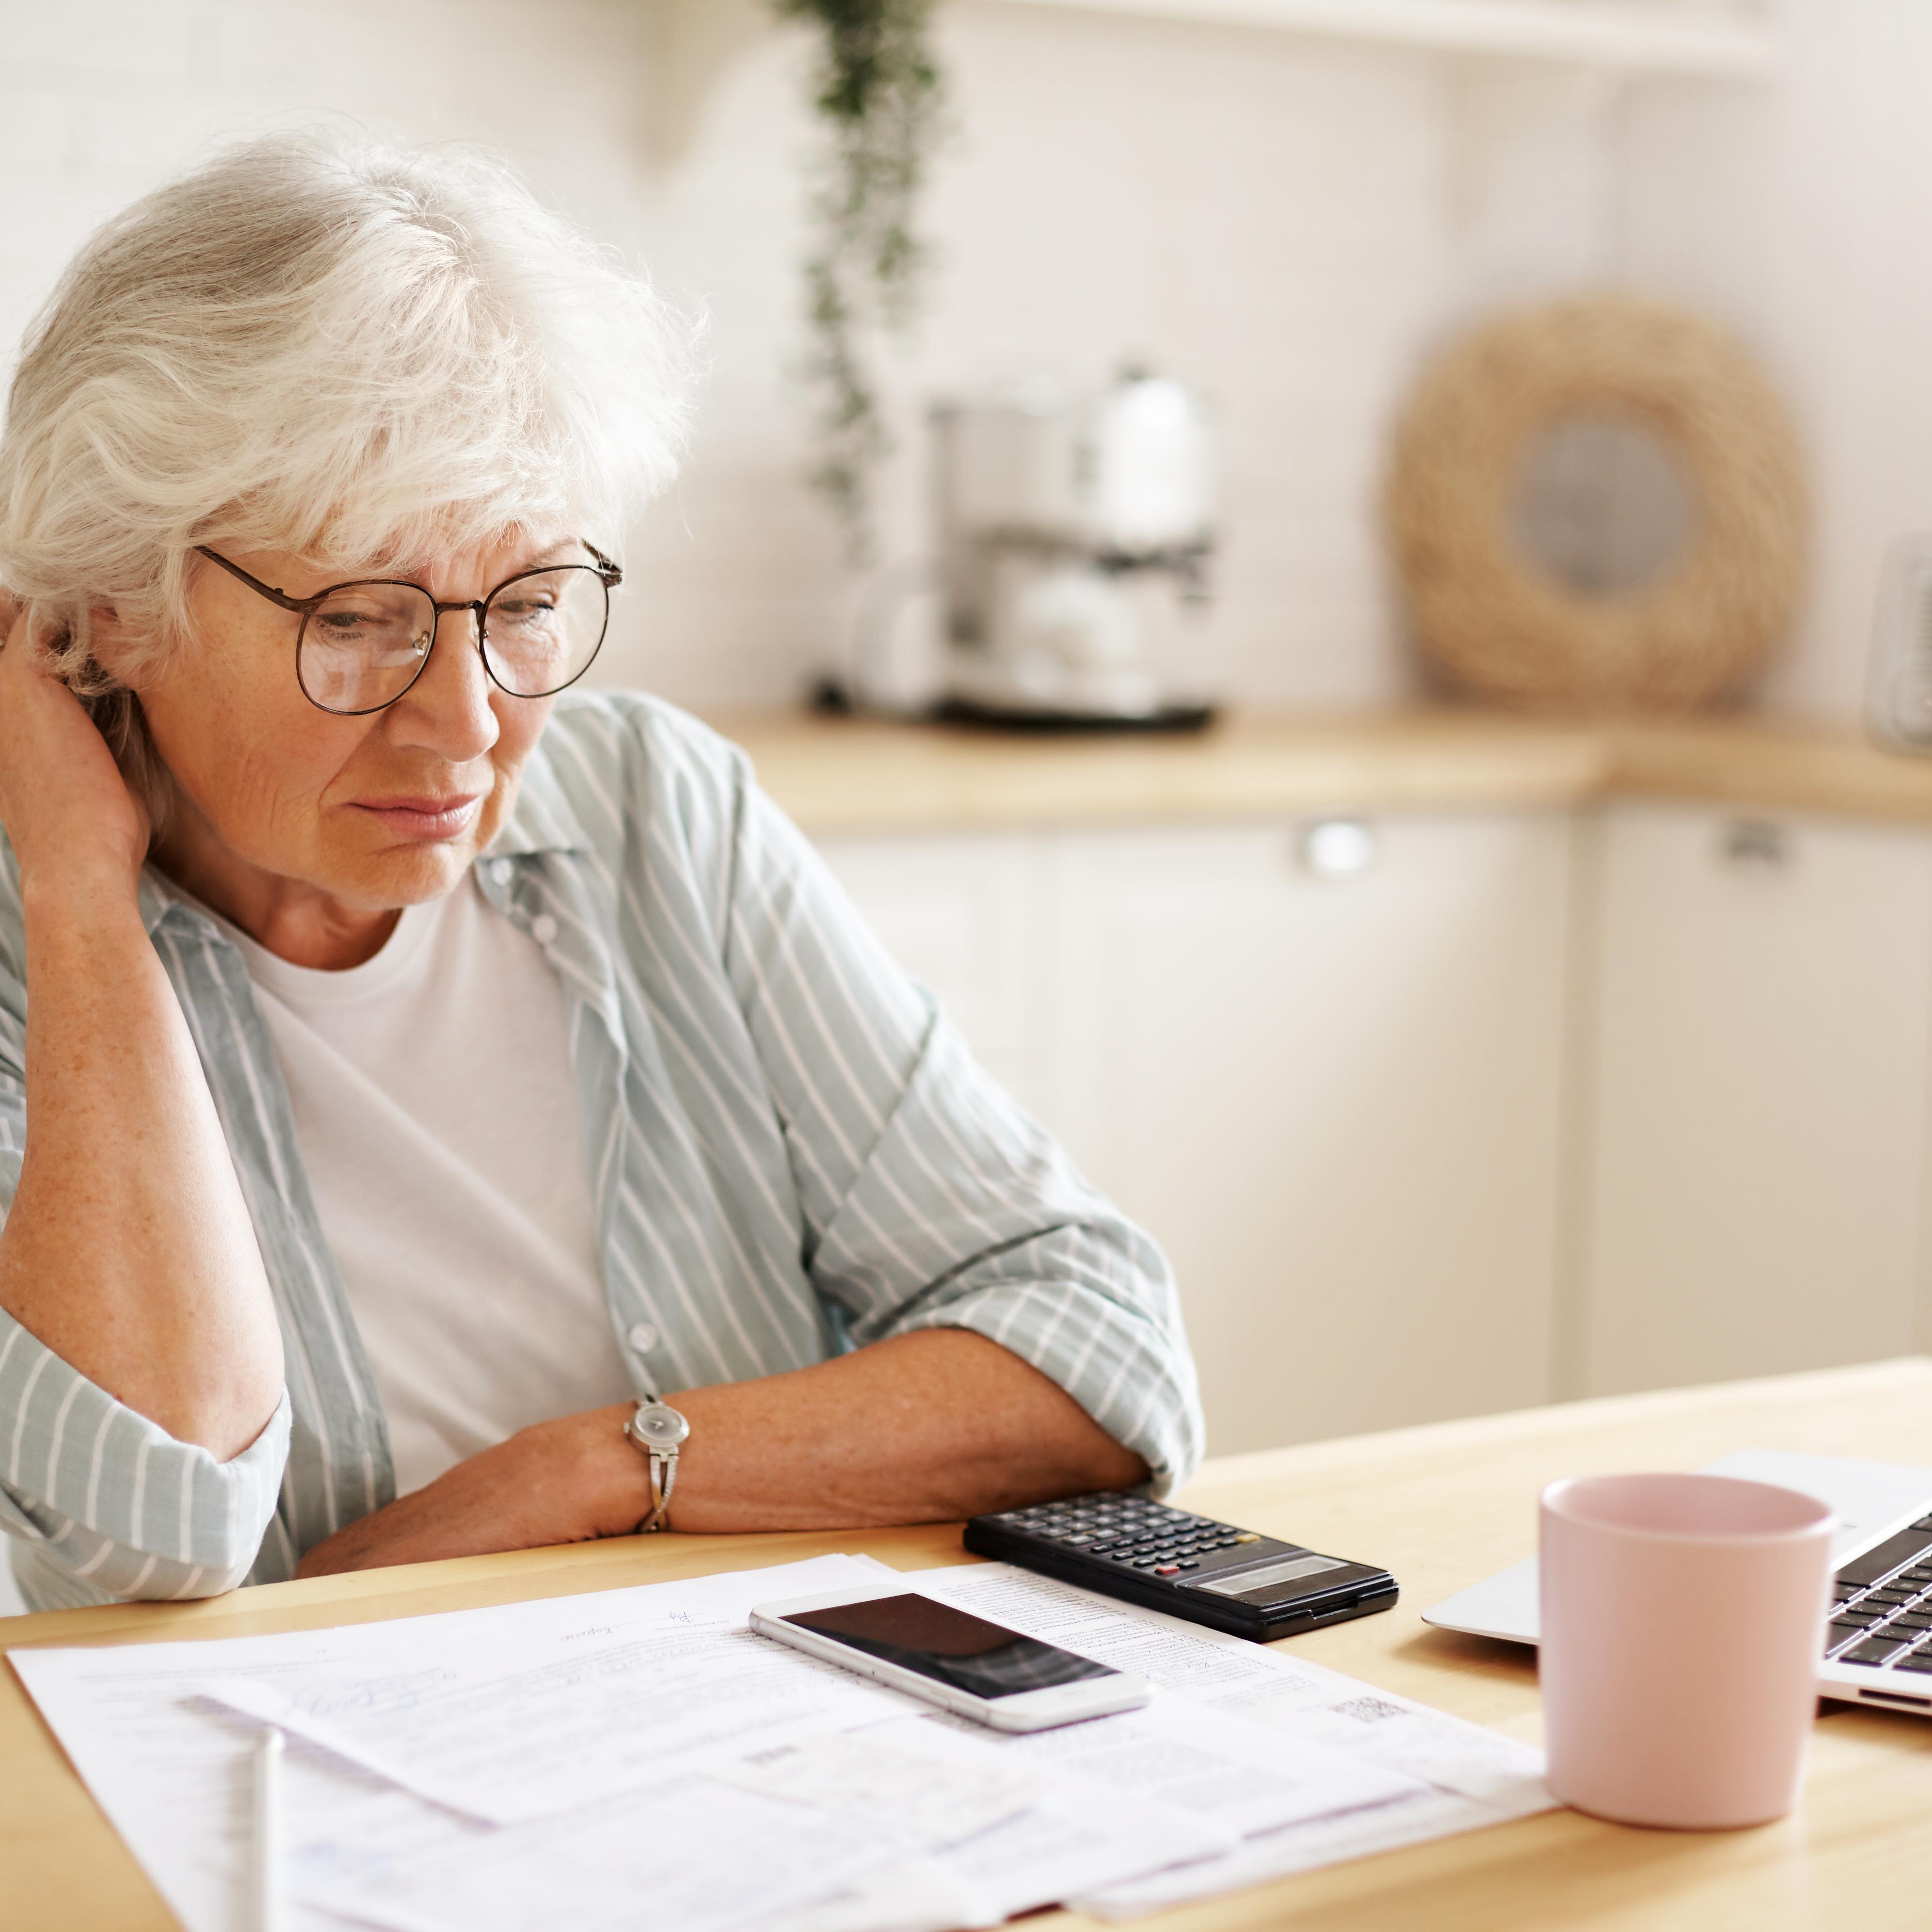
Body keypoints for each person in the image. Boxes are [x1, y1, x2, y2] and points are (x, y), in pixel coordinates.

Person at [0, 132, 1201, 1613]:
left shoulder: (651, 811)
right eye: (363, 618)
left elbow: (1101, 1355)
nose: (469, 720)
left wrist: (596, 1473)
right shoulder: (28, 948)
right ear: (111, 607)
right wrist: (76, 894)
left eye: (528, 601)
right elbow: (148, 1528)